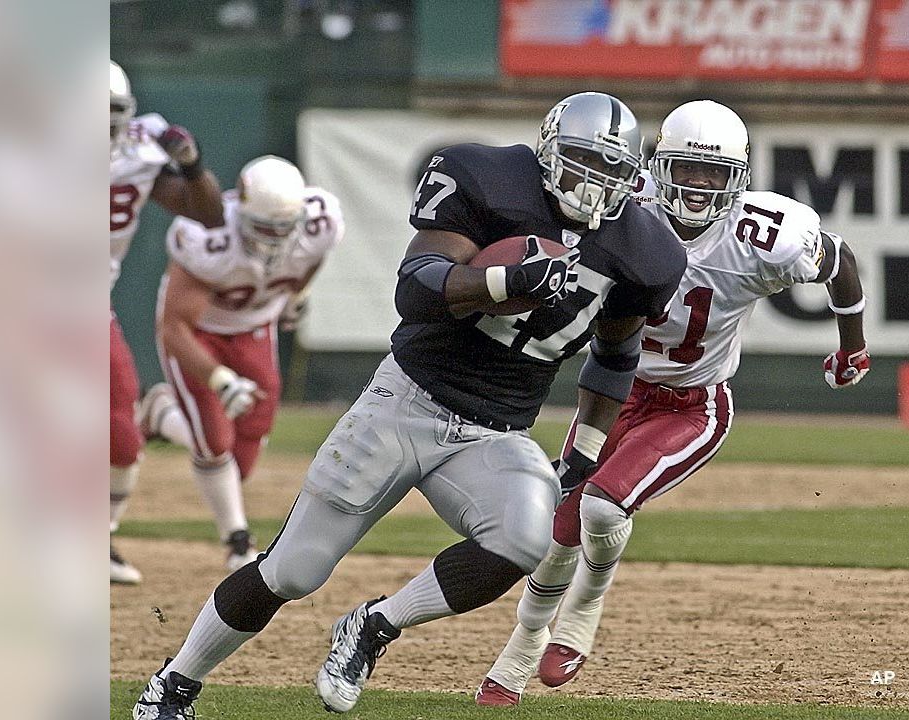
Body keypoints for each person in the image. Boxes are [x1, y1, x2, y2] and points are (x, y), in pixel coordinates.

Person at [132, 91, 687, 719]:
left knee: (524, 539)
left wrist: (583, 456)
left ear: (633, 177)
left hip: (496, 431)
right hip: (406, 401)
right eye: (582, 161)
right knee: (293, 571)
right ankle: (172, 685)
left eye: (610, 170)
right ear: (548, 151)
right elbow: (415, 288)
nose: (592, 183)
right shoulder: (488, 180)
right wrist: (502, 281)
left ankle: (374, 625)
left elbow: (616, 354)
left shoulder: (648, 251)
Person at [475, 99, 871, 706]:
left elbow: (840, 264)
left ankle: (586, 606)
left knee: (602, 510)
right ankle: (518, 652)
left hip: (692, 406)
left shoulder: (767, 236)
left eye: (714, 174)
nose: (698, 186)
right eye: (686, 169)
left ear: (739, 177)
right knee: (561, 523)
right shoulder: (621, 212)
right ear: (659, 166)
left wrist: (853, 348)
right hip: (614, 391)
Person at [147, 155, 345, 570]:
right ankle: (238, 541)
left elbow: (310, 260)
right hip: (199, 331)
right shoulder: (206, 236)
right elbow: (174, 329)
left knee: (245, 452)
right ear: (240, 211)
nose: (273, 239)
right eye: (263, 227)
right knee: (214, 443)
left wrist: (295, 297)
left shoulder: (320, 223)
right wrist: (220, 380)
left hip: (255, 324)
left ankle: (164, 415)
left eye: (282, 228)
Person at [109, 60, 224, 585]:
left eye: (111, 112)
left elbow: (208, 214)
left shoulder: (138, 147)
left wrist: (193, 164)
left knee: (122, 436)